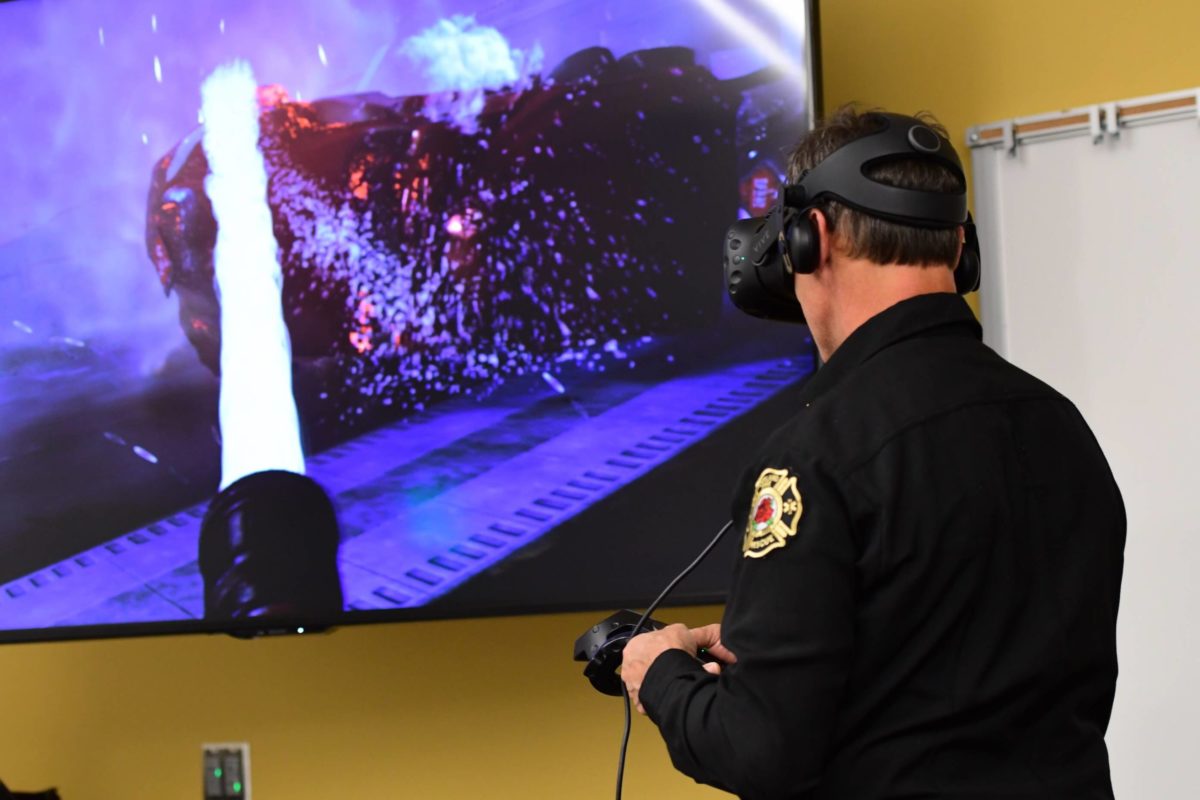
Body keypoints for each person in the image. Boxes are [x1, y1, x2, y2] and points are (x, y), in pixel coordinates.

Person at [619, 106, 1126, 799]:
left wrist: (658, 672)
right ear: (960, 246)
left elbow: (757, 753)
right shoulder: (1060, 425)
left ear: (810, 236)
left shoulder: (813, 459)